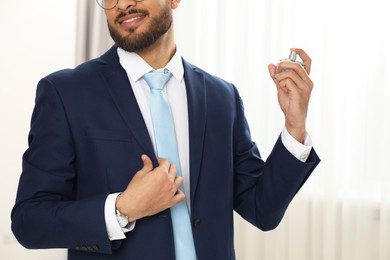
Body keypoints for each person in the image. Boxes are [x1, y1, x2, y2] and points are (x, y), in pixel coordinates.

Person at [11, 0, 320, 259]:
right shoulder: (67, 93)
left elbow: (262, 210)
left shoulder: (221, 97)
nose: (124, 4)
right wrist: (122, 209)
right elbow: (30, 221)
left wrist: (295, 126)